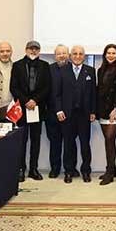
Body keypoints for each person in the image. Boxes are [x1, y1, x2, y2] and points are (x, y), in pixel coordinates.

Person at [52, 45, 96, 184]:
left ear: (84, 56)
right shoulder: (63, 70)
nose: (77, 56)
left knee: (85, 144)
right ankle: (69, 171)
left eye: (80, 54)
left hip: (84, 114)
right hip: (67, 114)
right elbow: (57, 93)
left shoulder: (90, 71)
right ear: (70, 56)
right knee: (68, 144)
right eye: (75, 54)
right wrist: (59, 110)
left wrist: (93, 111)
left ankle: (86, 171)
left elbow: (93, 93)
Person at [10, 40, 51, 182]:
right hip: (22, 109)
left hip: (37, 109)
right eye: (31, 48)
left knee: (36, 140)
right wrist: (26, 101)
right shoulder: (17, 65)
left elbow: (47, 87)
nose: (33, 51)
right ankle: (21, 169)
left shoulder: (45, 66)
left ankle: (33, 169)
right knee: (22, 140)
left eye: (36, 49)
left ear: (39, 51)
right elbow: (13, 87)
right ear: (26, 50)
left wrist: (35, 100)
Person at [96, 44, 116, 185]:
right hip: (103, 110)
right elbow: (99, 90)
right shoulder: (100, 70)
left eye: (114, 53)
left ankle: (109, 172)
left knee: (109, 139)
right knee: (108, 141)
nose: (111, 55)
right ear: (105, 55)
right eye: (108, 53)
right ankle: (112, 169)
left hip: (115, 111)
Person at [46, 45, 69, 179]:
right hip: (52, 113)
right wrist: (56, 110)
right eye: (59, 54)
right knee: (54, 142)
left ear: (68, 55)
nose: (62, 56)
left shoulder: (73, 69)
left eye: (64, 53)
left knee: (69, 143)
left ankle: (69, 169)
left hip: (69, 114)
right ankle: (55, 168)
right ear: (55, 56)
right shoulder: (48, 70)